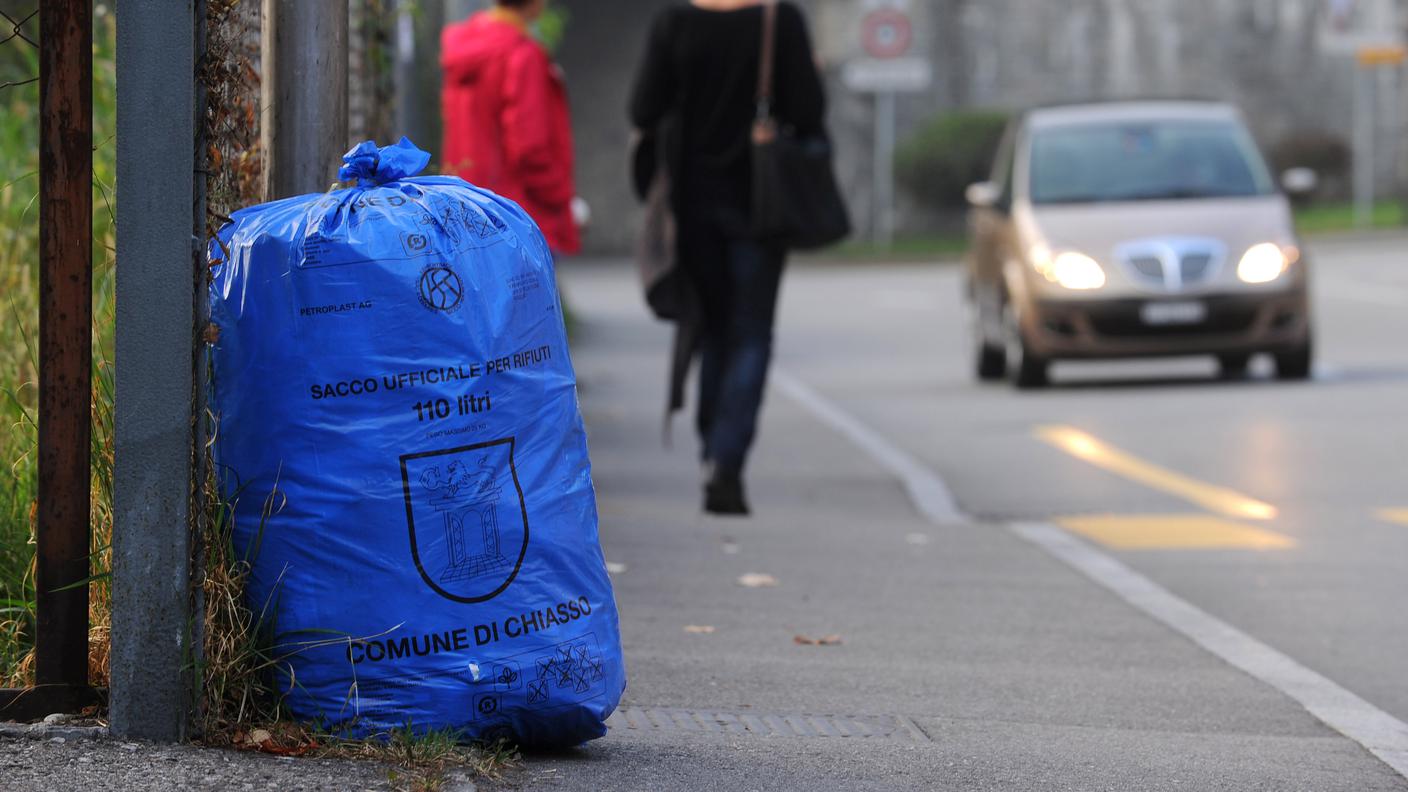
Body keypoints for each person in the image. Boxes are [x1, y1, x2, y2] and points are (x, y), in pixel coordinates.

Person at [629, 0, 826, 515]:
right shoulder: (778, 19)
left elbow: (642, 108)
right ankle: (727, 459)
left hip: (691, 208)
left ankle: (711, 452)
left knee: (712, 329)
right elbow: (809, 113)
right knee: (752, 333)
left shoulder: (674, 21)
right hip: (762, 204)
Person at [440, 0, 580, 255]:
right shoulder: (522, 54)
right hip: (518, 213)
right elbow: (530, 146)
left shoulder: (463, 46)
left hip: (466, 206)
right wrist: (560, 195)